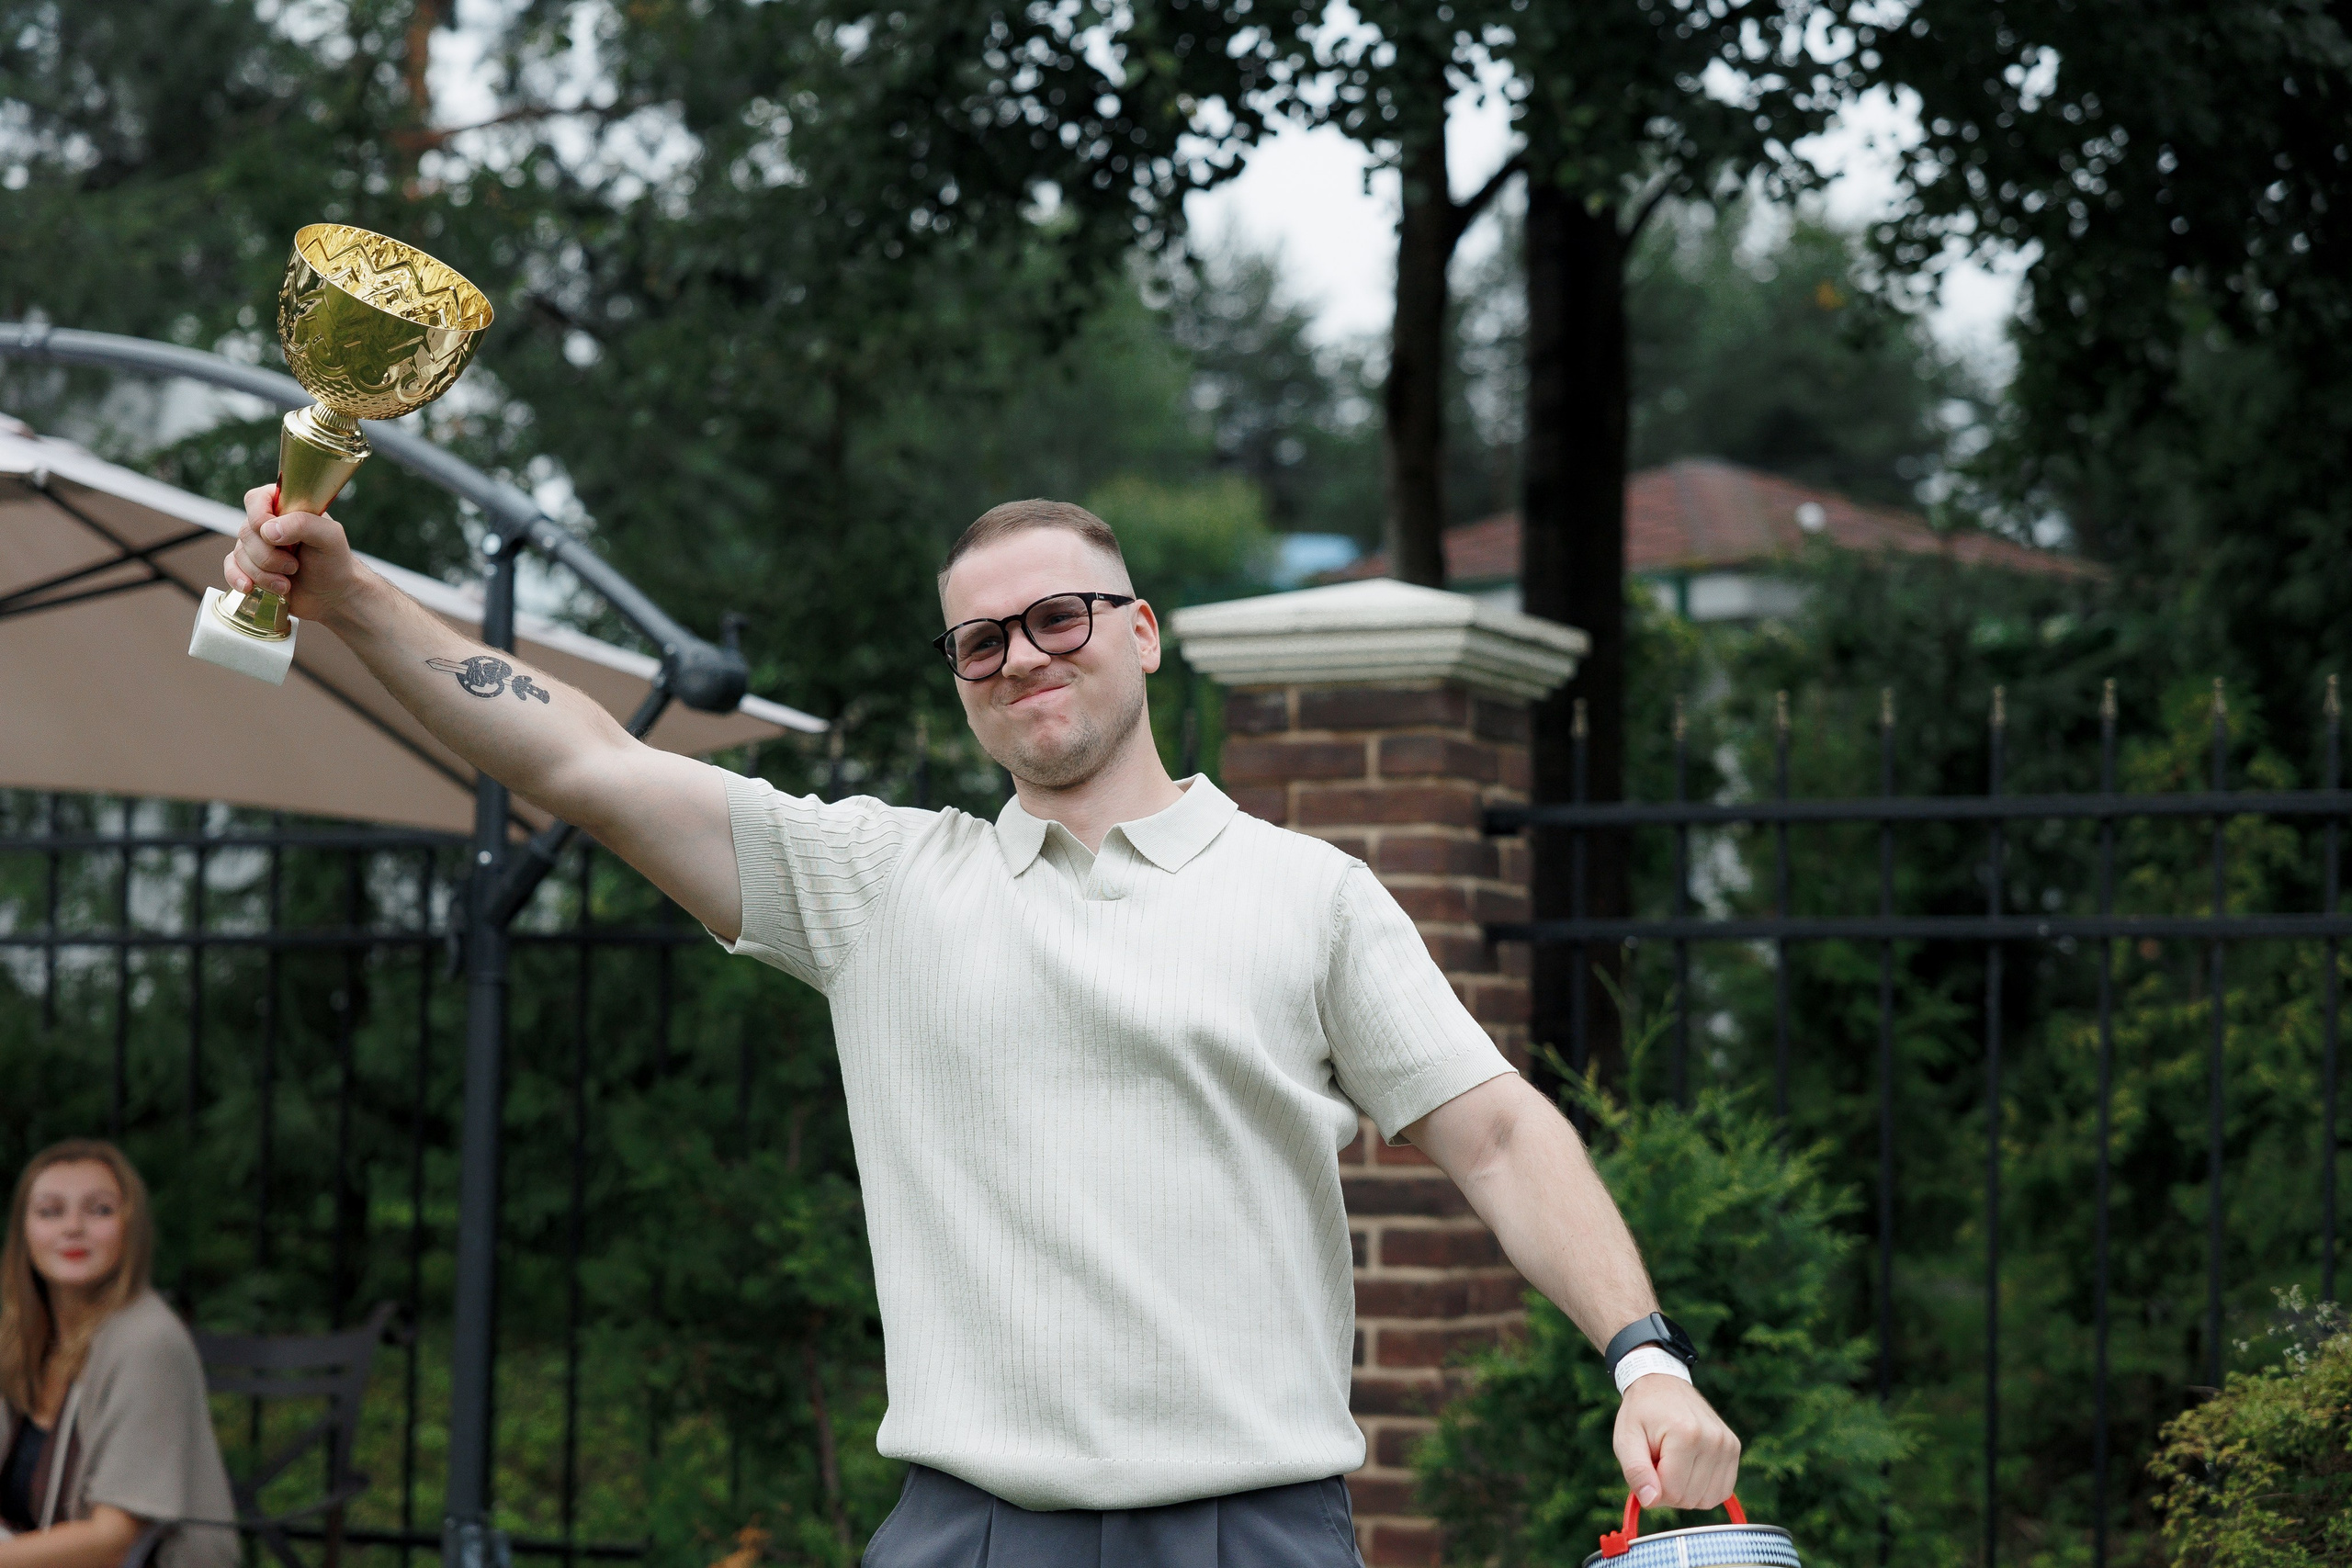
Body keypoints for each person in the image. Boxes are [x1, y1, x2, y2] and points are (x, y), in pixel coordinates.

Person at [223, 491, 1742, 1566]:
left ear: (1142, 631)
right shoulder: (877, 883)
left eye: (1057, 616)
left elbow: (1494, 1126)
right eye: (979, 641)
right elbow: (589, 766)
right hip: (969, 1530)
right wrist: (349, 592)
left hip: (1253, 1527)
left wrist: (1646, 1361)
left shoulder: (1310, 895)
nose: (1021, 655)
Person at [0, 1142, 236, 1568]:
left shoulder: (147, 1340)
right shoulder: (20, 1340)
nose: (74, 1227)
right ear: (24, 1234)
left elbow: (114, 1543)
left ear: (132, 1228)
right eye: (51, 1211)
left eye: (100, 1210)